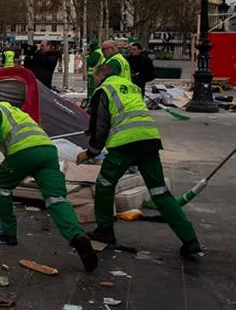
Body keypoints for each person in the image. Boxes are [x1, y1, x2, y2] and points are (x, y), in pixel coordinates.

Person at [0, 89, 98, 271]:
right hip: (48, 151)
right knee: (56, 198)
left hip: (23, 153)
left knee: (3, 188)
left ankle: (9, 234)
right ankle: (77, 236)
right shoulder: (15, 111)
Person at [78, 64, 202, 257]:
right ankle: (190, 240)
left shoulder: (104, 90)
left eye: (94, 77)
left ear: (101, 75)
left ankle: (104, 230)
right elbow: (125, 114)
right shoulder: (131, 87)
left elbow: (100, 124)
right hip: (149, 139)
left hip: (125, 144)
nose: (94, 80)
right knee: (160, 191)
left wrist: (91, 152)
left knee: (104, 185)